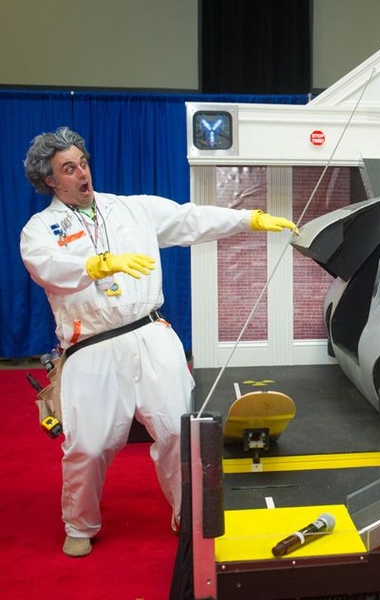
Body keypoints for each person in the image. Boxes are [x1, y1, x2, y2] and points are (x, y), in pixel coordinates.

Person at [19, 126, 297, 558]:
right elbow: (45, 267)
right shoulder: (40, 228)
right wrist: (96, 264)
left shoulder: (132, 210)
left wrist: (249, 220)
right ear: (50, 180)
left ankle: (188, 513)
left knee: (177, 432)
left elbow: (191, 219)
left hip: (150, 333)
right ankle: (80, 522)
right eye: (68, 169)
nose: (82, 174)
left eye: (84, 163)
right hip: (91, 348)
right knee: (88, 446)